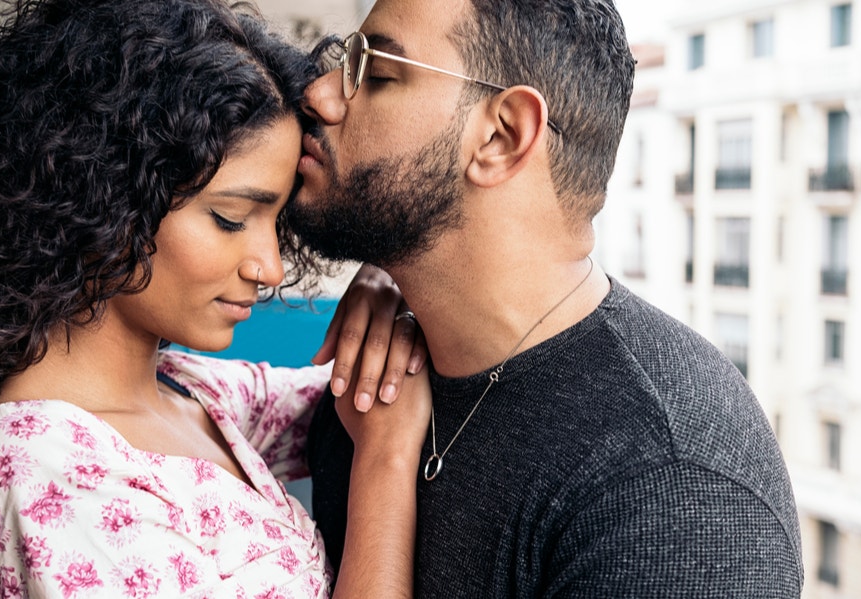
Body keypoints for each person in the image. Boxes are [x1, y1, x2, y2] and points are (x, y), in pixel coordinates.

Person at [0, 0, 431, 596]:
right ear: (102, 201)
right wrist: (384, 467)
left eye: (277, 220)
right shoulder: (44, 469)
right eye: (231, 217)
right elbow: (385, 429)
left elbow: (370, 395)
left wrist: (390, 277)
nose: (269, 267)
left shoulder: (192, 392)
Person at [290, 0, 804, 595]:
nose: (322, 95)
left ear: (502, 137)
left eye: (375, 74)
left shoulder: (673, 492)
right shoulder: (376, 376)